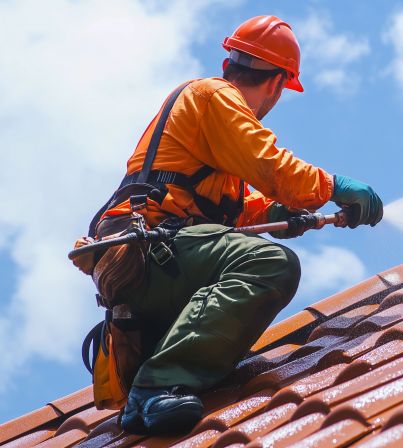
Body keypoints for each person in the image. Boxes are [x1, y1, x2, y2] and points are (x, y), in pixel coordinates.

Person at [71, 15, 382, 434]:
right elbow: (272, 168)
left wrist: (279, 215)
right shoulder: (214, 97)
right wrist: (334, 186)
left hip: (156, 264)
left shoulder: (207, 120)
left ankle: (159, 386)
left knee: (251, 261)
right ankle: (160, 383)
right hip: (155, 253)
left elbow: (237, 209)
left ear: (230, 62)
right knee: (271, 264)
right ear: (277, 84)